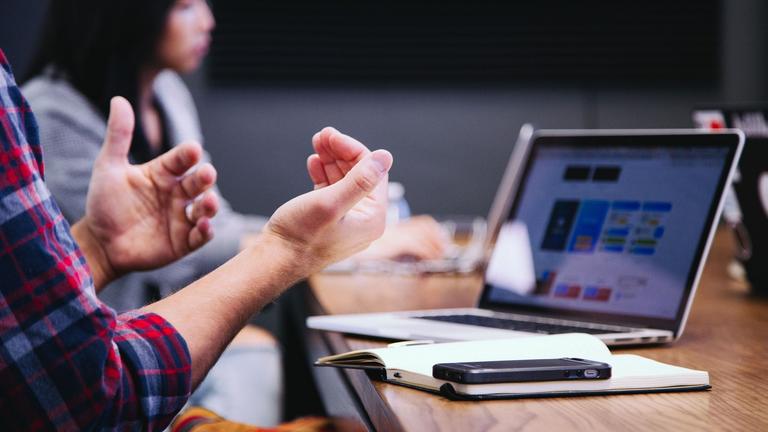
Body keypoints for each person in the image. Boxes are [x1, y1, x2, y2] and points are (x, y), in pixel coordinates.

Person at [22, 0, 446, 423]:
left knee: (260, 352)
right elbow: (181, 258)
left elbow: (207, 227)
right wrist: (323, 244)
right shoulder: (51, 115)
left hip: (154, 339)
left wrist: (321, 236)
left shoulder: (167, 93)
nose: (208, 21)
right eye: (186, 7)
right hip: (103, 367)